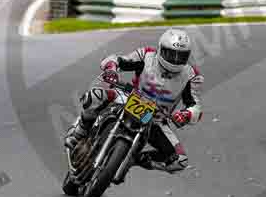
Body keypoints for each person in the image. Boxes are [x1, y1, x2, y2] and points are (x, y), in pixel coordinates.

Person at [65, 29, 203, 174]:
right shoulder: (147, 55)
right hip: (129, 98)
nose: (175, 60)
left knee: (180, 160)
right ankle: (79, 131)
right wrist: (111, 70)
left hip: (155, 119)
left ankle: (134, 159)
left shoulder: (191, 76)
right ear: (161, 49)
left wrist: (186, 114)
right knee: (95, 96)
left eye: (180, 56)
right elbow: (117, 60)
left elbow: (195, 106)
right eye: (171, 54)